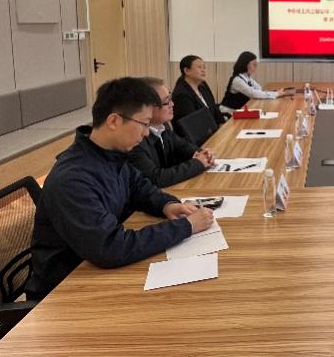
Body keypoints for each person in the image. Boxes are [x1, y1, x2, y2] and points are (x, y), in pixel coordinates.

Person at [26, 77, 214, 300]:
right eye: (144, 123)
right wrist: (186, 226)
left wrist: (167, 205)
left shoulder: (109, 153)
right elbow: (110, 247)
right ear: (114, 121)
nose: (147, 133)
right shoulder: (72, 179)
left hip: (96, 272)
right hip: (64, 292)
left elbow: (139, 186)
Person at [127, 77, 216, 187]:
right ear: (147, 108)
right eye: (166, 102)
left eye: (171, 99)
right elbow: (156, 178)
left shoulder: (163, 126)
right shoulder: (135, 140)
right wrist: (198, 163)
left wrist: (202, 153)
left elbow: (182, 146)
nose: (172, 104)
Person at [220, 51, 291, 115]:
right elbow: (253, 93)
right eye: (254, 64)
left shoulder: (247, 77)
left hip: (239, 111)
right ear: (245, 64)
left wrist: (275, 93)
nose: (256, 67)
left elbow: (259, 89)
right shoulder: (237, 80)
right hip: (228, 113)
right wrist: (276, 94)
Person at [172, 55, 227, 127]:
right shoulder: (181, 95)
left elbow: (213, 107)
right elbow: (193, 123)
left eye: (204, 67)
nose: (203, 70)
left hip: (212, 128)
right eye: (199, 67)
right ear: (186, 71)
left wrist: (222, 124)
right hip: (198, 132)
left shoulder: (203, 85)